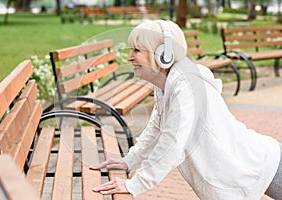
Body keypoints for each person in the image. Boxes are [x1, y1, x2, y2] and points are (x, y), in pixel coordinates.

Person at [90, 19, 282, 200]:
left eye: (137, 50)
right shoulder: (166, 83)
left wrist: (136, 184)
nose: (130, 57)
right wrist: (130, 160)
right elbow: (156, 128)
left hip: (261, 164)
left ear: (163, 54)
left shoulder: (187, 87)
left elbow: (172, 143)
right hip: (243, 167)